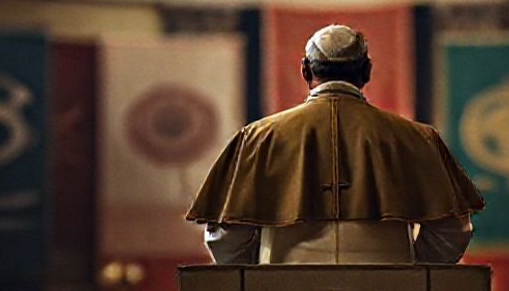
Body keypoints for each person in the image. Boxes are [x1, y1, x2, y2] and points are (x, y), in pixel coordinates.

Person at [187, 24, 484, 265]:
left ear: (305, 71)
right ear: (366, 71)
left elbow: (226, 240)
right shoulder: (417, 139)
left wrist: (264, 271)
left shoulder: (257, 138)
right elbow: (450, 232)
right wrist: (408, 268)